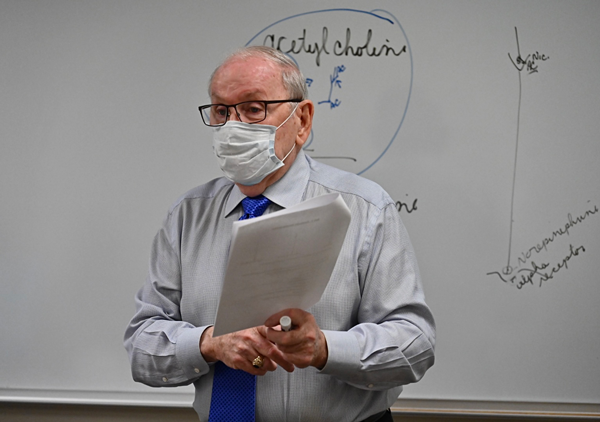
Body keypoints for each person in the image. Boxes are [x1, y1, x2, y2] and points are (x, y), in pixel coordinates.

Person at [124, 45, 435, 422]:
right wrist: (208, 344)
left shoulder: (365, 209)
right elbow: (142, 348)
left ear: (301, 121)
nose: (232, 127)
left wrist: (324, 348)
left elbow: (415, 345)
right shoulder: (187, 215)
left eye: (254, 109)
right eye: (221, 111)